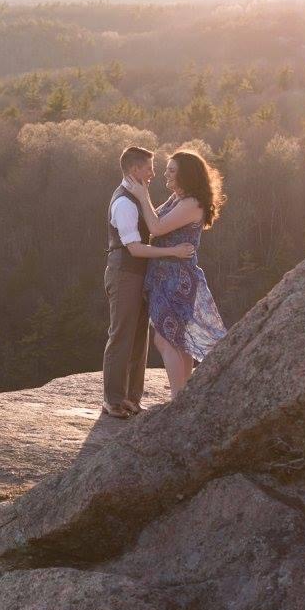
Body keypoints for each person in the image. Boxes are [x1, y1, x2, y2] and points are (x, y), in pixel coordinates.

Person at [124, 149, 227, 398]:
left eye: (171, 170)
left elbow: (156, 228)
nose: (165, 174)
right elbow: (154, 220)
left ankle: (177, 399)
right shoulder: (178, 199)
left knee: (165, 339)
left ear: (186, 175)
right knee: (178, 339)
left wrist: (142, 194)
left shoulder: (192, 204)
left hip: (176, 279)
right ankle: (184, 396)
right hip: (164, 277)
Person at [102, 145, 196, 419]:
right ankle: (113, 400)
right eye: (149, 168)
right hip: (125, 274)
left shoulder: (138, 197)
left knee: (139, 336)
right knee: (121, 334)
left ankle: (132, 397)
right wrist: (173, 252)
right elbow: (136, 248)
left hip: (141, 276)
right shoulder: (123, 203)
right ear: (134, 170)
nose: (153, 174)